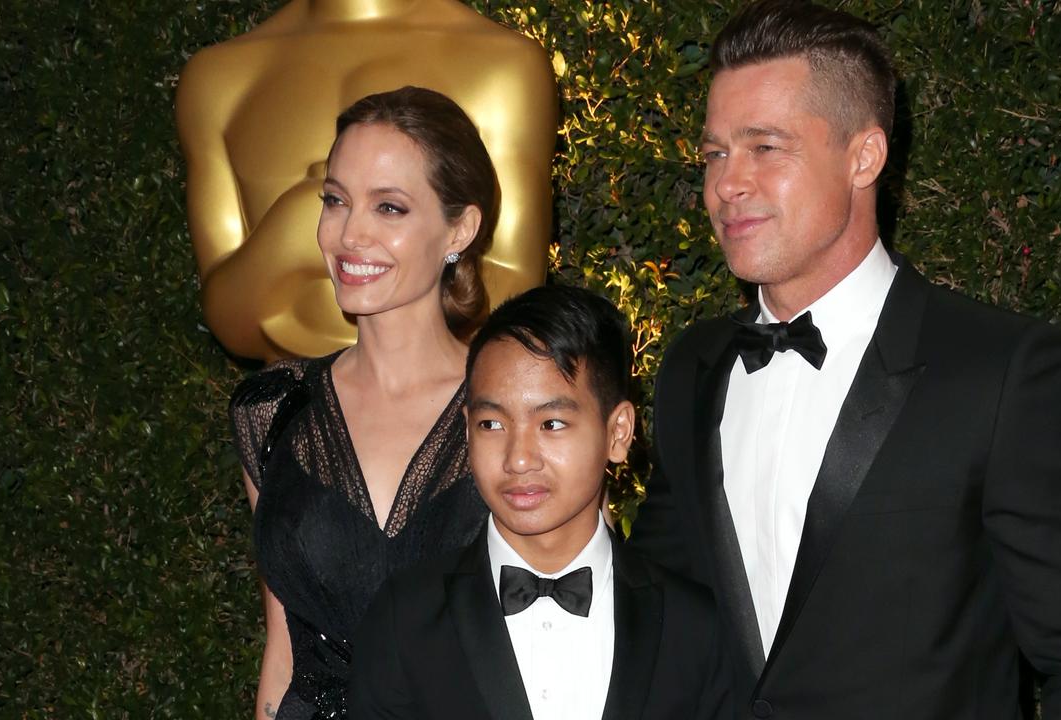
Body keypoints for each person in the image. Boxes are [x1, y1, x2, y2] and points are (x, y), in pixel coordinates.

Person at [627, 1, 1061, 718]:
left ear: (863, 156)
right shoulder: (694, 367)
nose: (726, 184)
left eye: (765, 148)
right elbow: (656, 616)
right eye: (715, 153)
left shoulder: (1001, 373)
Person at [229, 87, 499, 720]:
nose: (350, 234)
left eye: (390, 208)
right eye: (336, 200)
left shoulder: (515, 407)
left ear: (459, 227)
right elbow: (282, 649)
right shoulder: (272, 410)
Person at [347, 285, 731, 720]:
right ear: (467, 431)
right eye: (492, 423)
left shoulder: (694, 628)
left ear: (618, 432)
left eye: (551, 423)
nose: (519, 458)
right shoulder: (406, 619)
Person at [177, 0, 556, 360]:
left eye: (390, 205)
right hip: (288, 413)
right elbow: (230, 321)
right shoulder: (219, 78)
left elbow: (516, 296)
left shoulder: (502, 64)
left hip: (448, 409)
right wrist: (290, 231)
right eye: (334, 200)